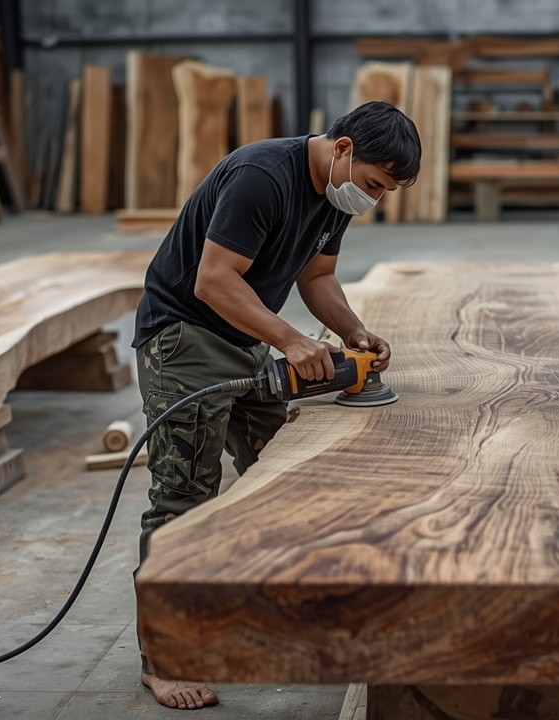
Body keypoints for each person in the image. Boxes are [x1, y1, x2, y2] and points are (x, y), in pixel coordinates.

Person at [130, 100, 421, 709]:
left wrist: (354, 332)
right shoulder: (262, 176)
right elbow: (213, 280)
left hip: (240, 340)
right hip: (183, 338)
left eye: (385, 192)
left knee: (281, 469)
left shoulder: (336, 195)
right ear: (342, 148)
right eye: (372, 184)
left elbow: (316, 279)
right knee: (183, 497)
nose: (372, 199)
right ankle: (166, 658)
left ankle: (259, 609)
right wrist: (289, 339)